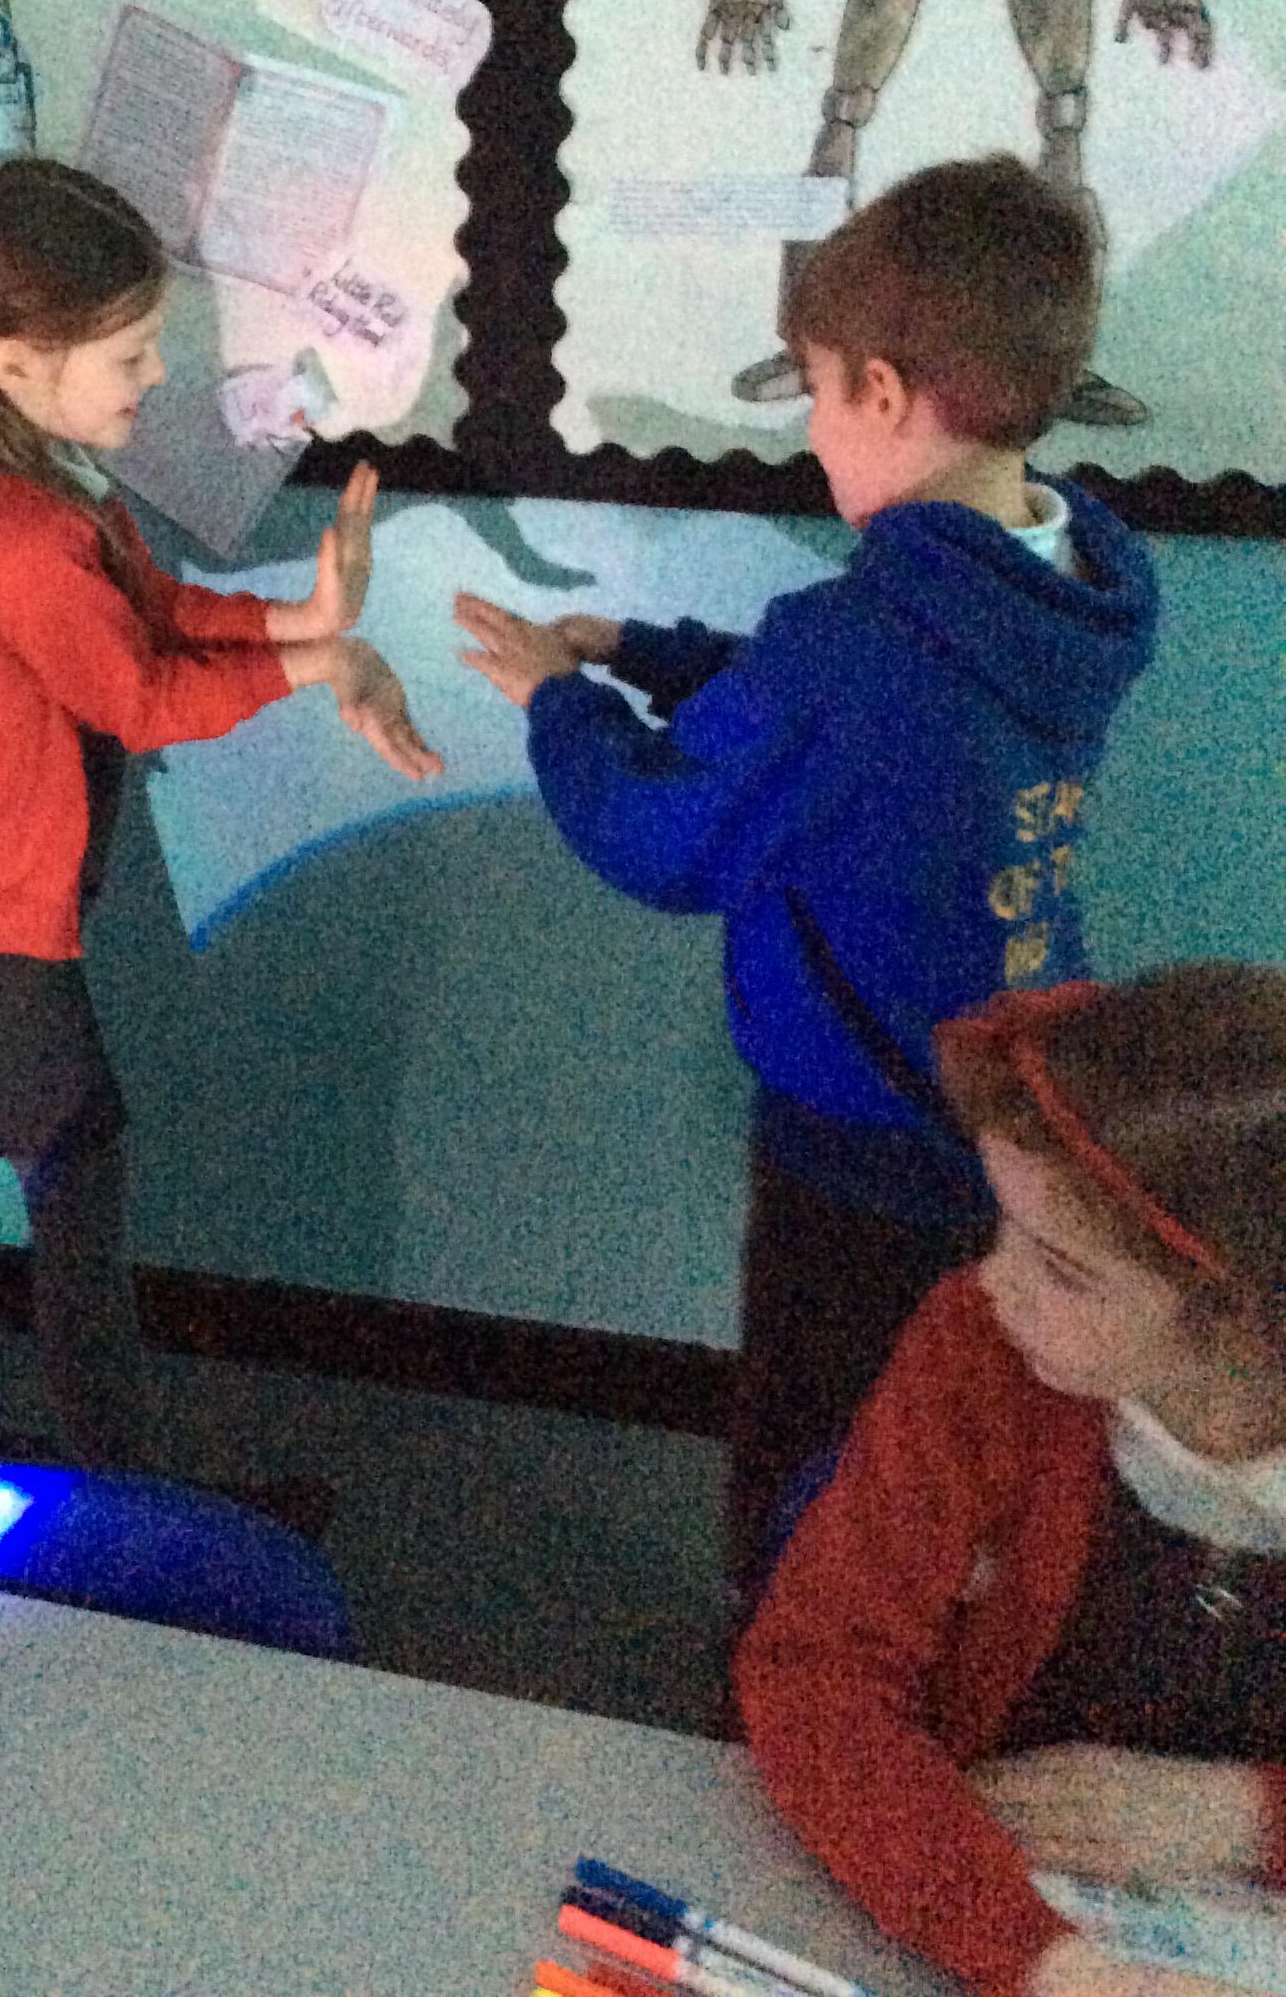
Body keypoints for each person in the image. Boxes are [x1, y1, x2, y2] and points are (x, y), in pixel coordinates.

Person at [452, 157, 1159, 1585]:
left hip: (862, 1141)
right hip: (1016, 1099)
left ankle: (784, 1650)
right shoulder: (1065, 587)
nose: (818, 435)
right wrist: (646, 653)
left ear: (883, 394)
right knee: (964, 1442)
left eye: (822, 394)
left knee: (825, 1449)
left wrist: (556, 700)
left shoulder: (859, 644)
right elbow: (851, 736)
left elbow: (661, 835)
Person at [0, 156, 439, 1483]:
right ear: (18, 362)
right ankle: (115, 1491)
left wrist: (298, 622)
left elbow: (134, 605)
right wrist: (315, 663)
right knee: (73, 1175)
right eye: (131, 353)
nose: (155, 376)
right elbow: (140, 694)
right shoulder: (13, 532)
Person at [736, 963, 1286, 1997]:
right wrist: (1051, 1962)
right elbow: (817, 1674)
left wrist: (1242, 1817)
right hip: (982, 1907)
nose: (993, 1282)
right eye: (1005, 1230)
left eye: (1063, 1270)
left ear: (1248, 1324)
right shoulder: (978, 1351)